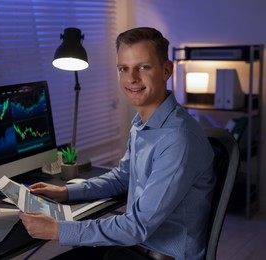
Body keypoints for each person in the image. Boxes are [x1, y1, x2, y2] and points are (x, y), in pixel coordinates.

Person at [19, 27, 216, 260]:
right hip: (135, 247)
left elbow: (136, 227)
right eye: (124, 69)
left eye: (143, 67)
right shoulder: (144, 124)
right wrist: (65, 192)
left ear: (166, 70)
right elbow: (122, 178)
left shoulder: (178, 138)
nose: (132, 78)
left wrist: (57, 230)